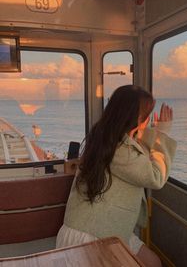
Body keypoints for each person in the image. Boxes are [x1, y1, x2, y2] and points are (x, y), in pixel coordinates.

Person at [56, 85, 177, 267]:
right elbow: (155, 177)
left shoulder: (107, 139)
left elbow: (138, 156)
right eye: (146, 116)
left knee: (153, 262)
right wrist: (162, 135)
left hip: (105, 229)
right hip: (92, 237)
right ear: (136, 118)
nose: (147, 121)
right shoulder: (119, 149)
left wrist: (148, 133)